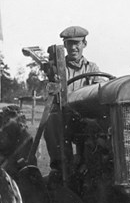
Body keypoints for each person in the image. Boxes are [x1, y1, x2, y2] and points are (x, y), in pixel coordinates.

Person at [44, 25, 103, 175]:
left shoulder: (92, 68)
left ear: (84, 44)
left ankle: (90, 164)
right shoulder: (59, 69)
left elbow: (98, 91)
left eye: (77, 43)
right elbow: (51, 94)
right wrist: (54, 81)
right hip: (66, 118)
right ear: (64, 46)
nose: (74, 48)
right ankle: (61, 168)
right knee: (52, 121)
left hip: (85, 117)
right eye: (70, 44)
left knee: (99, 124)